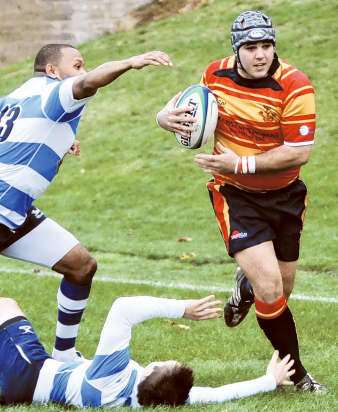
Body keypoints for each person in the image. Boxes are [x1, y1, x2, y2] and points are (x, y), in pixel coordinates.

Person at [0, 44, 173, 362]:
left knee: (81, 266)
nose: (82, 71)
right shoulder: (57, 94)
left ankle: (64, 355)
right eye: (77, 65)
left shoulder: (23, 91)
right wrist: (130, 62)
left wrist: (51, 137)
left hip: (15, 215)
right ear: (53, 70)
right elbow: (89, 82)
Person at [156, 11, 326, 392]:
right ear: (237, 50)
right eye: (251, 47)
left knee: (279, 290)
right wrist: (162, 117)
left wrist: (242, 161)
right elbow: (184, 105)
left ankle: (244, 288)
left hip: (285, 197)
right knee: (270, 287)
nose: (260, 54)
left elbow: (299, 151)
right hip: (235, 193)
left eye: (266, 45)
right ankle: (296, 374)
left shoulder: (295, 86)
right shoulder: (215, 74)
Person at [0, 286, 295, 407]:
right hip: (22, 387)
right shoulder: (147, 399)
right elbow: (217, 395)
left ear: (155, 373)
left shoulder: (117, 372)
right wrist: (267, 380)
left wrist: (182, 308)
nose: (170, 358)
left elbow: (123, 309)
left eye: (171, 362)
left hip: (31, 370)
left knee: (1, 307)